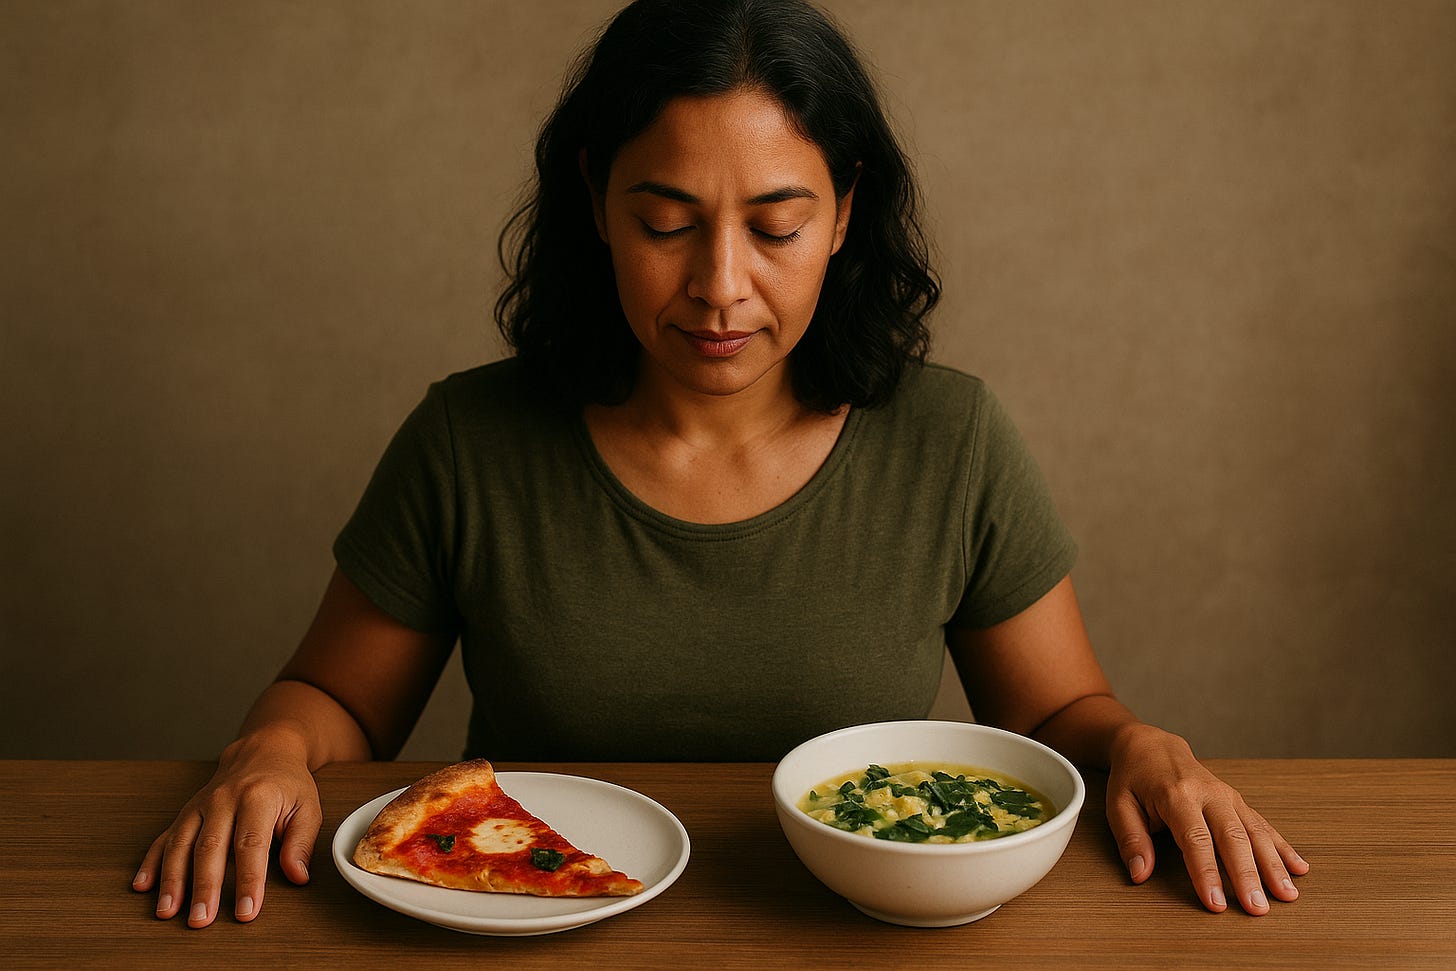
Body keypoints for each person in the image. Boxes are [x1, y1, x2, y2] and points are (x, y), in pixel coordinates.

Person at [133, 0, 1307, 928]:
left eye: (778, 225)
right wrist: (270, 751)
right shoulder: (468, 439)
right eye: (665, 221)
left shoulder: (951, 438)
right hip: (525, 924)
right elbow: (339, 699)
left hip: (848, 936)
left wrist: (1141, 744)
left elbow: (1052, 710)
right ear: (595, 201)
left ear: (845, 214)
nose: (720, 283)